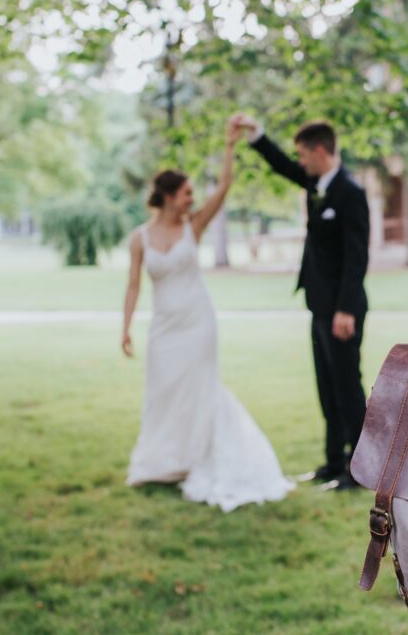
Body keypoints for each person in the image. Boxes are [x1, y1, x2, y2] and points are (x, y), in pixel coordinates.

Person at [121, 119, 293, 511]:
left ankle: (197, 457)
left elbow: (224, 188)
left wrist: (230, 145)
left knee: (199, 388)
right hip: (164, 326)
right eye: (184, 193)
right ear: (166, 196)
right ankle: (162, 461)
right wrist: (126, 327)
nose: (190, 199)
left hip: (198, 321)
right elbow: (133, 285)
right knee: (164, 390)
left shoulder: (193, 227)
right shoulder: (139, 238)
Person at [231, 114, 369, 491]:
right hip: (319, 304)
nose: (301, 161)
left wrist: (344, 309)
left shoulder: (350, 193)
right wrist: (257, 136)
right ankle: (332, 462)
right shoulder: (315, 184)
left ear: (320, 150)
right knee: (326, 386)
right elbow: (282, 166)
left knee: (346, 387)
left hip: (343, 309)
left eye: (304, 154)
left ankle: (358, 469)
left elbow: (357, 257)